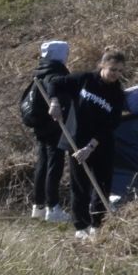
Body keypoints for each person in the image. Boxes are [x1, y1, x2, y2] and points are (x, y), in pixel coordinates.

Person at [48, 51, 132, 239]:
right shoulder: (84, 79)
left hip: (101, 143)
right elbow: (55, 82)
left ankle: (97, 225)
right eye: (112, 69)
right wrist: (54, 102)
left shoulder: (118, 94)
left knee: (102, 185)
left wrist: (90, 147)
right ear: (102, 66)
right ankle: (81, 227)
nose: (115, 74)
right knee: (79, 185)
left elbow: (110, 125)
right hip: (76, 141)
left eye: (119, 71)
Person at [25, 41, 73, 222]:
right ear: (59, 54)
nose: (67, 55)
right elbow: (60, 96)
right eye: (65, 52)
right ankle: (53, 208)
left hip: (41, 125)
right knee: (55, 164)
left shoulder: (40, 70)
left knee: (43, 163)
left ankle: (38, 207)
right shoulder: (55, 72)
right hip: (54, 125)